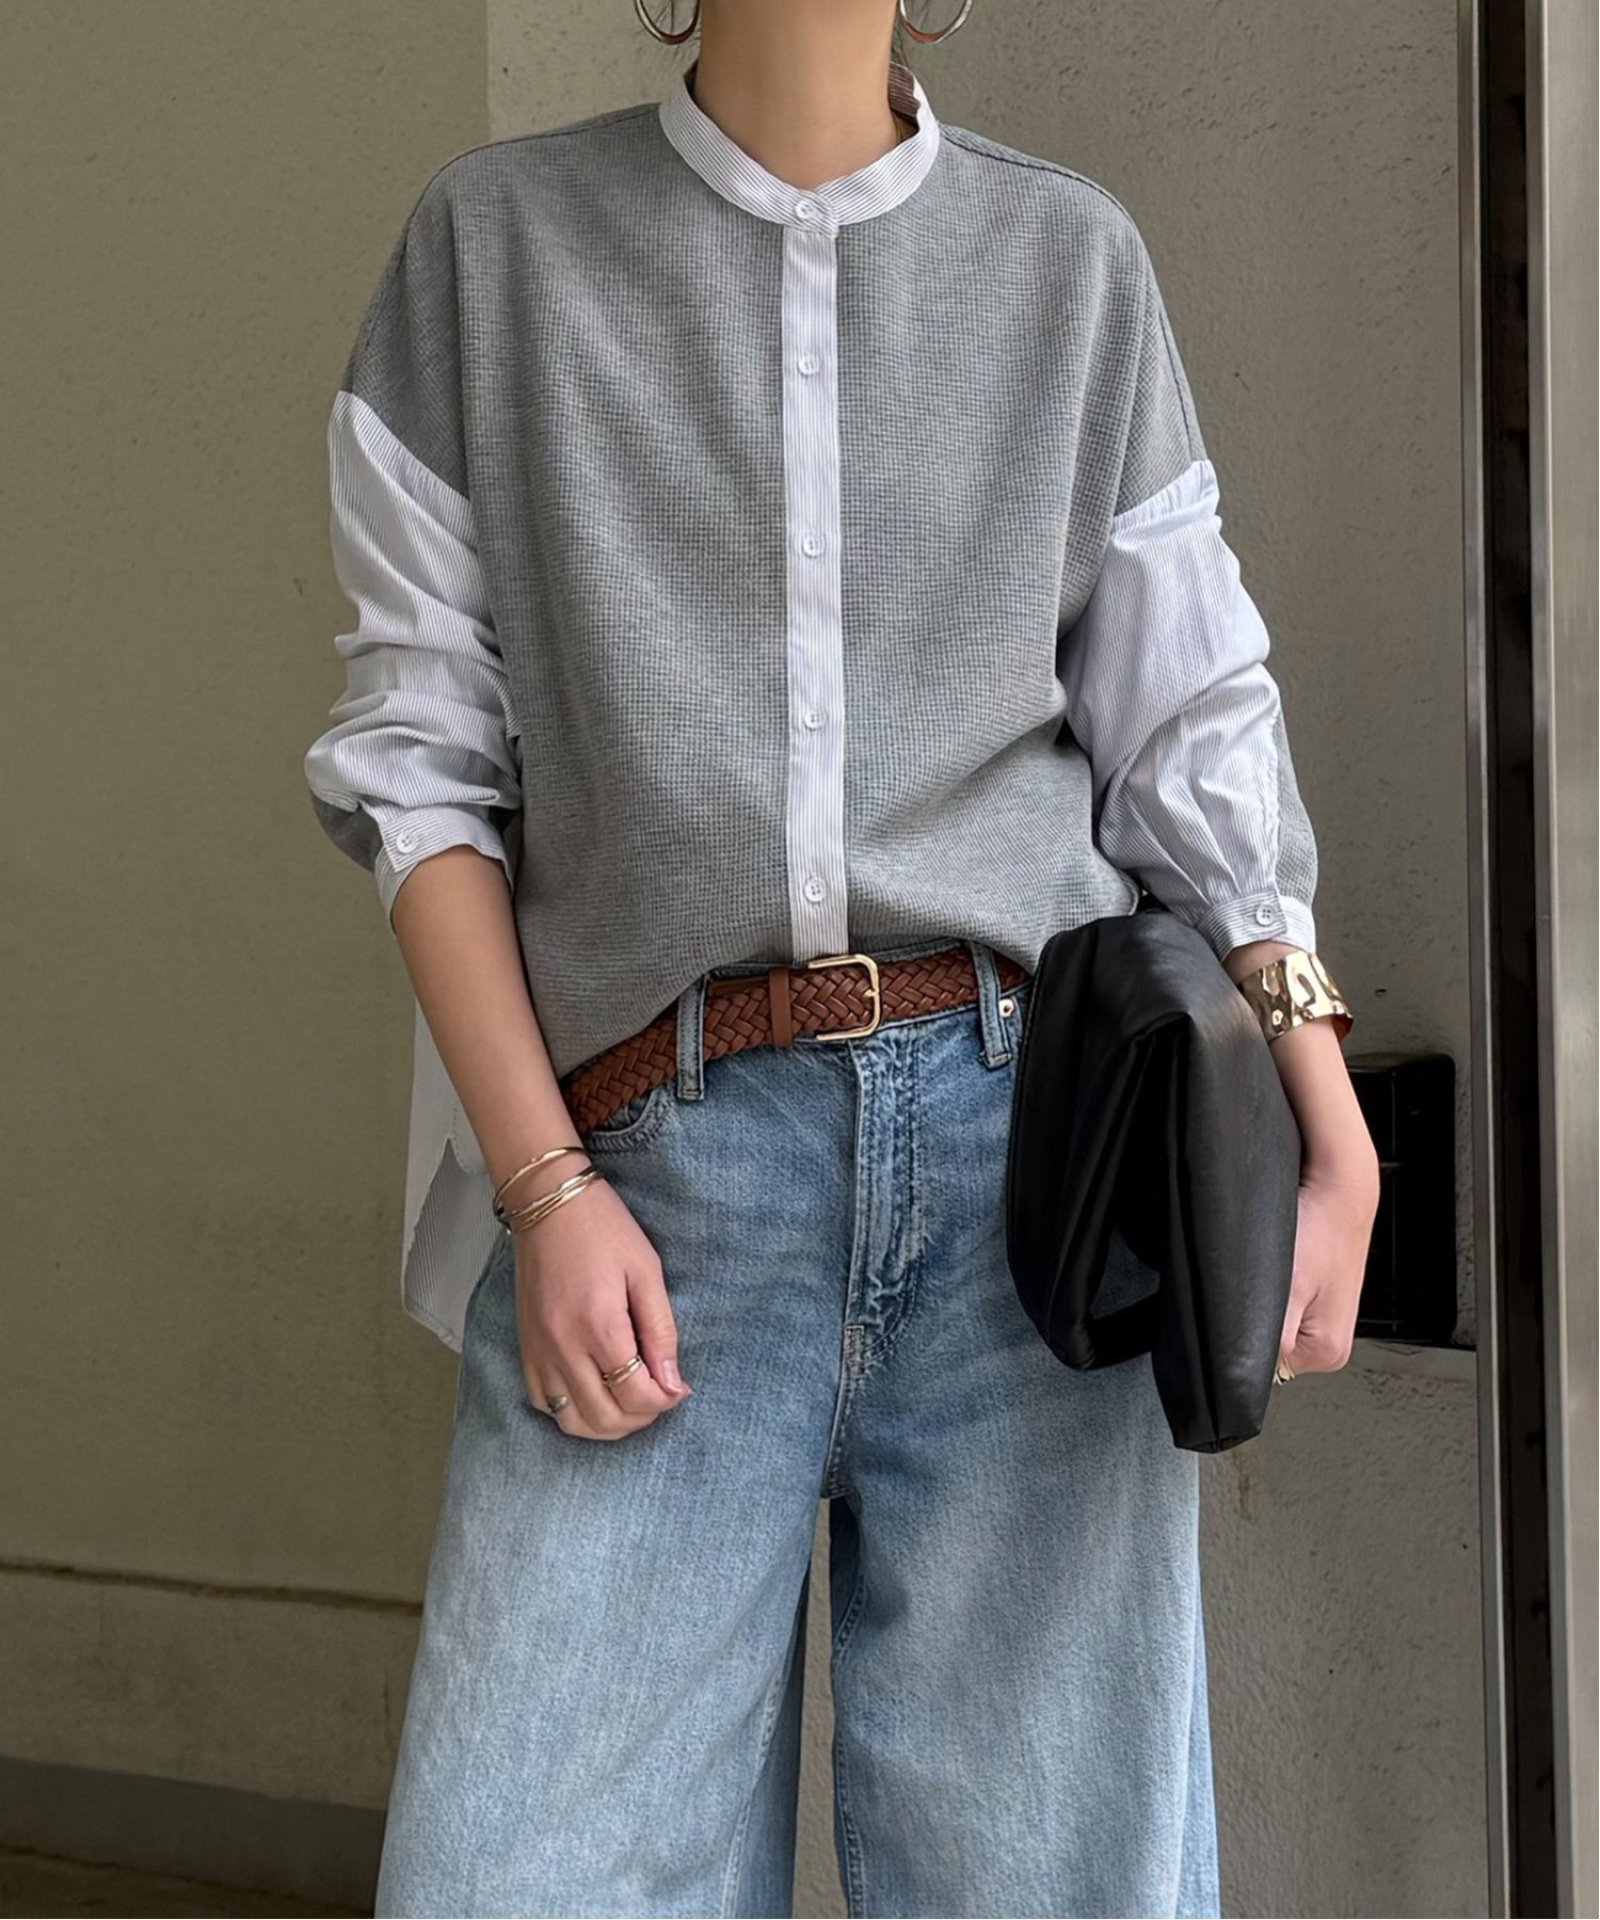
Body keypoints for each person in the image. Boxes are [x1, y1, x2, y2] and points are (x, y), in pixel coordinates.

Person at [303, 2, 1381, 1913]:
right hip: (652, 1182)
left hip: (1027, 1188)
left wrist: (1326, 1110)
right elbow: (422, 774)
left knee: (1055, 1879)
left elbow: (1191, 727)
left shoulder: (1068, 265)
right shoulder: (495, 250)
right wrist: (544, 1188)